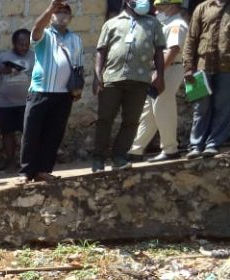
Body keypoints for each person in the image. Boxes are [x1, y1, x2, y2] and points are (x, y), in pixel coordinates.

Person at [92, 0, 167, 171]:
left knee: (131, 121)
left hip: (140, 81)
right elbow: (101, 51)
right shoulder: (111, 23)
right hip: (112, 79)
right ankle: (98, 159)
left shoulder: (153, 23)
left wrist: (160, 76)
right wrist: (97, 77)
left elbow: (159, 53)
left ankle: (119, 156)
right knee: (104, 120)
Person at [20, 1, 84, 182]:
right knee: (32, 132)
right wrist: (49, 9)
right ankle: (26, 172)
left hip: (64, 94)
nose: (62, 15)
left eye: (65, 12)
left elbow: (78, 66)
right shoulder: (45, 35)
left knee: (53, 133)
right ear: (52, 16)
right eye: (59, 12)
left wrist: (78, 89)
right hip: (41, 91)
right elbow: (37, 28)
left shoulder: (76, 40)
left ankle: (43, 170)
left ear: (70, 17)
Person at [130, 0, 190, 161]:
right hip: (162, 70)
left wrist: (159, 72)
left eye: (160, 7)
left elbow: (173, 49)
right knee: (149, 111)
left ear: (172, 6)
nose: (156, 11)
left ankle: (170, 149)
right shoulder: (166, 24)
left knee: (163, 106)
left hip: (170, 69)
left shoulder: (176, 24)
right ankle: (135, 150)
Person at [183, 0, 230, 159]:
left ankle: (213, 143)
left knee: (222, 107)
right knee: (201, 107)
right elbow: (191, 39)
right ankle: (196, 145)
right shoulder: (203, 8)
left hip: (227, 69)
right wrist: (188, 67)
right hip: (202, 67)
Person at [0, 29, 34, 171]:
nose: (24, 47)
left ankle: (27, 163)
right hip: (5, 103)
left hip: (27, 102)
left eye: (27, 43)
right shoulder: (4, 57)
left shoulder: (35, 56)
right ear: (14, 43)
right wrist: (1, 70)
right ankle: (10, 162)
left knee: (28, 133)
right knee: (8, 133)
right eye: (21, 44)